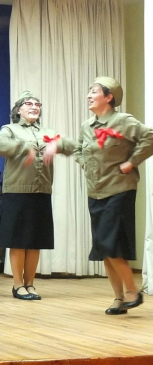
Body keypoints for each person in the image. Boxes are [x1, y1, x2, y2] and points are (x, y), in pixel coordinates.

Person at [75, 77, 153, 314]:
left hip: (119, 190)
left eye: (94, 91)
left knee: (112, 245)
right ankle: (119, 298)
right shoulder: (87, 126)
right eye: (89, 91)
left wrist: (132, 162)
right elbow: (78, 148)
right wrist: (83, 162)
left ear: (109, 97)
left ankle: (133, 292)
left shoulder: (123, 121)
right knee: (103, 248)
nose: (89, 95)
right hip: (95, 191)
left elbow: (149, 136)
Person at [0, 91, 74, 301]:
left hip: (41, 191)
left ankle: (30, 284)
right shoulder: (10, 129)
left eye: (37, 104)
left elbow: (72, 146)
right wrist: (23, 147)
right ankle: (18, 285)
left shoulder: (48, 132)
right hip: (17, 191)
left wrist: (57, 144)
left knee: (35, 241)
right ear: (18, 110)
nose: (34, 107)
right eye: (28, 103)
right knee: (18, 241)